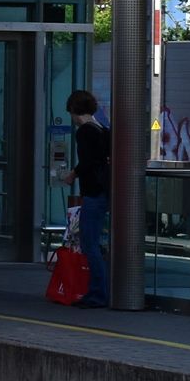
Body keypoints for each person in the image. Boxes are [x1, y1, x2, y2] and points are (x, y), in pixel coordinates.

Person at [66, 90, 111, 308]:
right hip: (105, 191)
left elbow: (87, 161)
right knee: (96, 244)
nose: (72, 118)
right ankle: (103, 290)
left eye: (71, 113)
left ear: (75, 110)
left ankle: (97, 294)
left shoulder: (84, 132)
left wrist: (72, 174)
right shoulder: (103, 129)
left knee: (89, 243)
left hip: (93, 192)